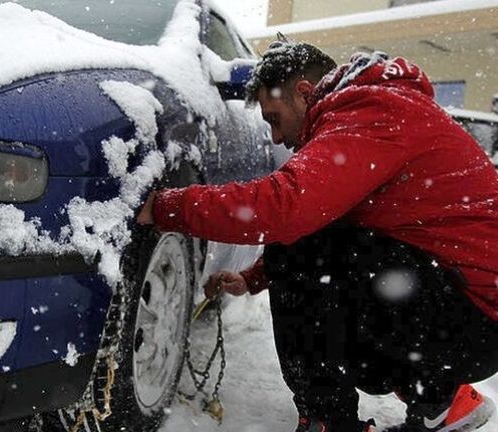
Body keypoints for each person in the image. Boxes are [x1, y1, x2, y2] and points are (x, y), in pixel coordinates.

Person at [137, 40, 498, 432]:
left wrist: (164, 207)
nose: (275, 137)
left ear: (305, 93)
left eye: (274, 118)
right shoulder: (380, 107)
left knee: (299, 234)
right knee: (311, 235)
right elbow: (336, 221)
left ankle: (330, 421)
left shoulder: (372, 111)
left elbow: (285, 210)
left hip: (470, 319)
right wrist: (254, 277)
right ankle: (441, 400)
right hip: (462, 309)